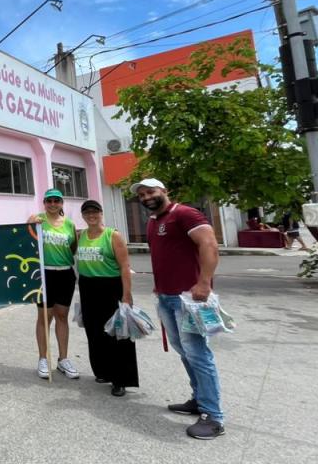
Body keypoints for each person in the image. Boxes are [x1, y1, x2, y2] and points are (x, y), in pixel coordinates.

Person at [131, 178, 225, 440]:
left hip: (188, 298)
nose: (146, 197)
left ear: (164, 192)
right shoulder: (153, 222)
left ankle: (213, 416)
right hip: (166, 297)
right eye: (141, 195)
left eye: (151, 191)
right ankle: (199, 399)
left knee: (198, 353)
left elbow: (209, 244)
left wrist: (204, 282)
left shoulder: (184, 213)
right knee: (185, 351)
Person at [75, 199, 138, 397]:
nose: (91, 215)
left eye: (95, 212)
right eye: (87, 213)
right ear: (83, 216)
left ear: (101, 213)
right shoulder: (80, 235)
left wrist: (127, 295)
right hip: (87, 287)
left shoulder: (113, 236)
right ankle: (102, 371)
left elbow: (124, 267)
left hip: (110, 287)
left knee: (116, 333)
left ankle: (120, 379)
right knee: (94, 332)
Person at [27, 189, 80, 379]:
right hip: (43, 274)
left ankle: (63, 359)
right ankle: (43, 358)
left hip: (65, 274)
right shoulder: (36, 219)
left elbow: (72, 249)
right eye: (49, 200)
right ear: (44, 202)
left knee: (62, 316)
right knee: (44, 316)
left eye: (56, 200)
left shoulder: (70, 224)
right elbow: (26, 240)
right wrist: (31, 224)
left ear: (61, 203)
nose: (52, 204)